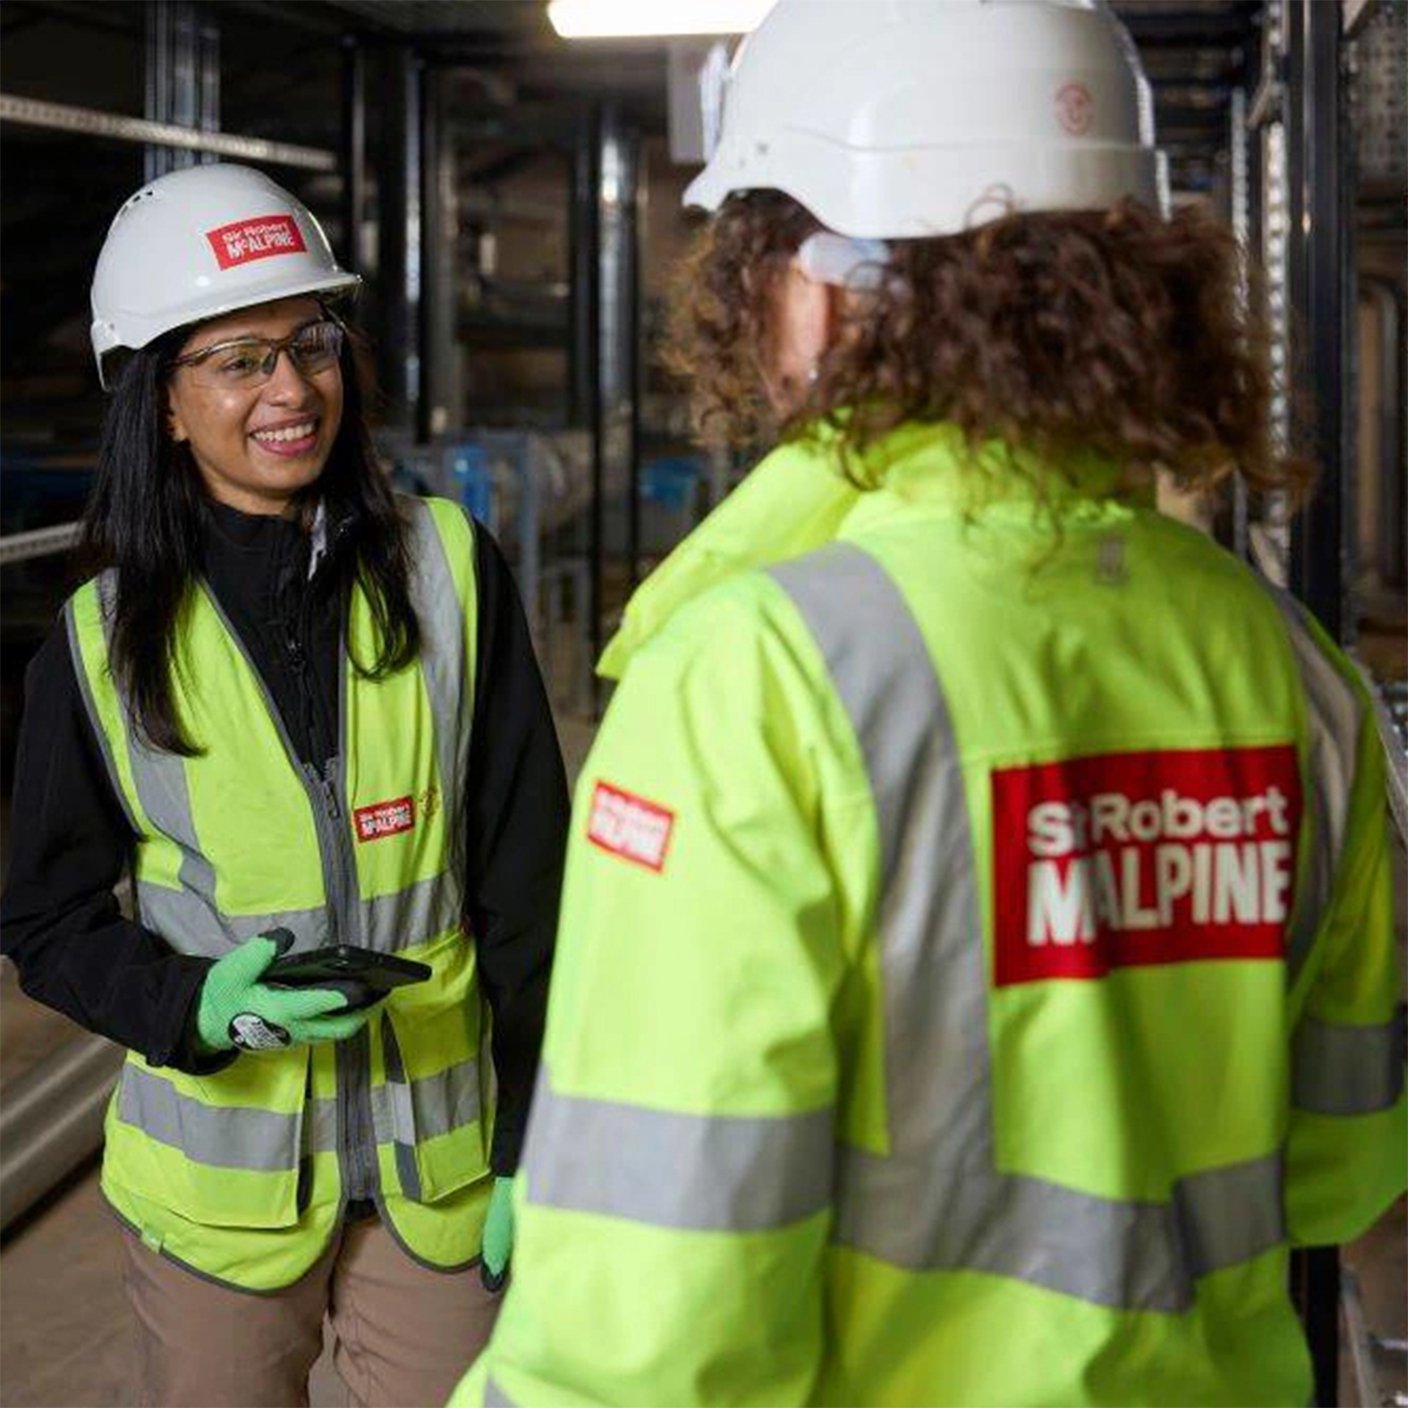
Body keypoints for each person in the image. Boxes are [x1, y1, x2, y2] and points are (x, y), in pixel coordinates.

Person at [454, 2, 1407, 1404]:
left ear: (826, 292)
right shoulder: (1287, 669)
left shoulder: (759, 680)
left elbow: (650, 1342)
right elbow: (1341, 1163)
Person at [0, 163, 569, 1407]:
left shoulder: (449, 570)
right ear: (161, 399)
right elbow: (41, 922)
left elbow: (532, 884)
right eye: (239, 359)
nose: (291, 389)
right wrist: (194, 1005)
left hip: (443, 1179)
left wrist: (540, 1140)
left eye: (310, 341)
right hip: (223, 1209)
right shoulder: (98, 646)